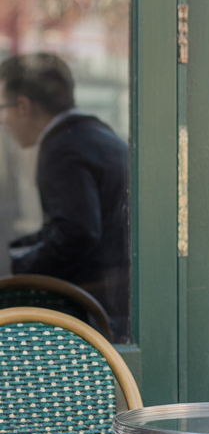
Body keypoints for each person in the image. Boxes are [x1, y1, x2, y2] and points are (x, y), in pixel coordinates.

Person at [0, 53, 129, 341]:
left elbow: (77, 233)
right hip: (123, 303)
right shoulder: (94, 135)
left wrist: (18, 267)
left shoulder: (61, 148)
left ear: (23, 106)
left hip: (102, 314)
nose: (2, 120)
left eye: (2, 107)